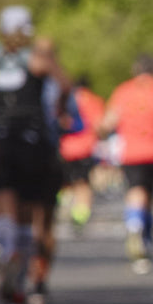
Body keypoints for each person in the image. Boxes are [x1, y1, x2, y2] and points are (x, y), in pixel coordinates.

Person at [0, 8, 71, 304]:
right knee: (38, 215)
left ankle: (9, 252)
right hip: (34, 143)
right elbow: (66, 84)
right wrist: (59, 108)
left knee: (6, 206)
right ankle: (34, 276)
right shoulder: (39, 59)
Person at [102, 55, 153, 274]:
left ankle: (134, 225)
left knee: (135, 190)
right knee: (147, 193)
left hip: (129, 152)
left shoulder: (122, 91)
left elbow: (108, 121)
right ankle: (141, 232)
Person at [60, 77, 104, 239]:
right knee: (83, 184)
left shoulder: (65, 98)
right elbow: (99, 125)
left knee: (65, 183)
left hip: (64, 148)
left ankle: (64, 205)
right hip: (85, 148)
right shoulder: (93, 100)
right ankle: (80, 216)